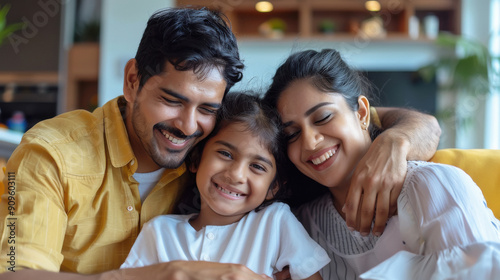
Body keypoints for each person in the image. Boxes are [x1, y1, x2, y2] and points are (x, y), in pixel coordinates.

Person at [0, 6, 440, 280]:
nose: (188, 125)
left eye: (206, 108)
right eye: (171, 100)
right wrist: (167, 274)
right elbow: (14, 272)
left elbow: (345, 128)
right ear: (133, 80)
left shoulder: (217, 141)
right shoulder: (48, 154)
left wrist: (397, 140)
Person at [263, 48, 500, 279]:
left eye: (323, 117)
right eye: (292, 134)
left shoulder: (434, 186)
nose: (310, 143)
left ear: (363, 113)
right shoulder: (302, 224)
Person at [121, 93, 330, 279]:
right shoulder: (159, 232)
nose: (236, 174)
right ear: (195, 159)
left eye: (257, 166)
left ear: (273, 188)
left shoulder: (275, 222)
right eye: (225, 154)